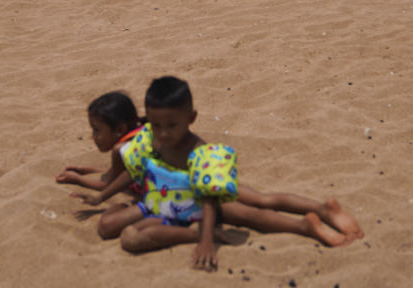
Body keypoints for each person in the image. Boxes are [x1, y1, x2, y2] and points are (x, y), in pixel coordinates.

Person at [73, 77, 356, 271]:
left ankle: (314, 217)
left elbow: (208, 199)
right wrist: (101, 197)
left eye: (171, 125)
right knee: (122, 234)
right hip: (165, 205)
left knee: (259, 206)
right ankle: (306, 222)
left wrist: (206, 241)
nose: (164, 132)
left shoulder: (199, 151)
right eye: (157, 125)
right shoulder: (151, 140)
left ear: (191, 118)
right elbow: (133, 173)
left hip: (203, 203)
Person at [56, 92, 143, 193]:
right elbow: (119, 172)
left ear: (120, 130)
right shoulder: (141, 133)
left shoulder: (121, 149)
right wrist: (88, 170)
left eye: (96, 130)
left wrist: (77, 179)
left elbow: (106, 185)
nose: (93, 136)